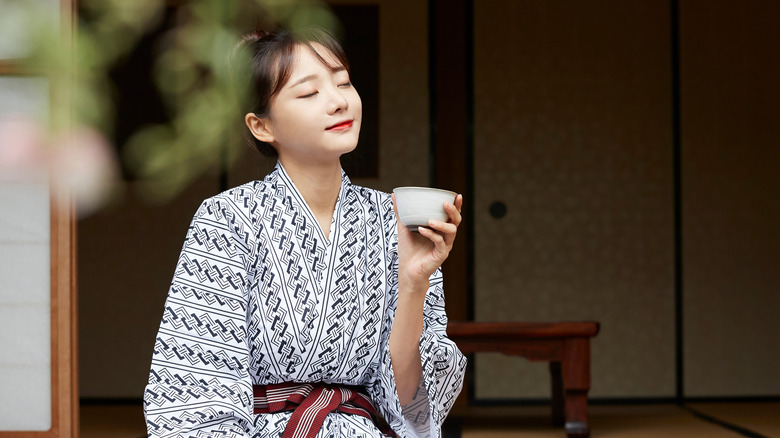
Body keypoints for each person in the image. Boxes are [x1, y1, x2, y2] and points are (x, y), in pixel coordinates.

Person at [143, 26, 466, 438]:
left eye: (344, 83)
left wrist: (413, 283)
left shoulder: (397, 219)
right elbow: (196, 386)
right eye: (309, 93)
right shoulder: (228, 217)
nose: (338, 102)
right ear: (262, 126)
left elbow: (414, 410)